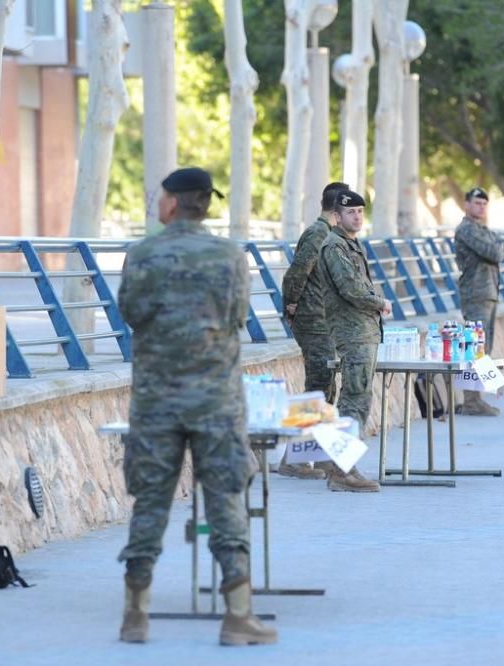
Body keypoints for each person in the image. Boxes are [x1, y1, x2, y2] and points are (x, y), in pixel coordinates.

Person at [116, 167, 276, 646]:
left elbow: (131, 314)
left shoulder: (142, 254)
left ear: (170, 204)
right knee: (227, 500)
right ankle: (238, 616)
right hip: (215, 401)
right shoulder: (230, 256)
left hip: (156, 400)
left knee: (151, 502)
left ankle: (135, 615)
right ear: (205, 205)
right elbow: (237, 317)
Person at [318, 189, 391, 492]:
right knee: (354, 400)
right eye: (351, 212)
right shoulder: (334, 246)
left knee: (358, 399)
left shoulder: (350, 244)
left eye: (361, 211)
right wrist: (379, 302)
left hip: (363, 330)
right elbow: (351, 288)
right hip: (352, 332)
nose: (357, 217)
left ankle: (340, 466)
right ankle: (342, 471)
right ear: (337, 215)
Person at [278, 181, 348, 480]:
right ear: (338, 210)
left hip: (324, 319)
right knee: (317, 387)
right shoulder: (319, 233)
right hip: (313, 319)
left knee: (326, 387)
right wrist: (291, 305)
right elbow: (297, 272)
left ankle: (316, 453)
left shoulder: (331, 234)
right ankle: (292, 457)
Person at [453, 187, 504, 416]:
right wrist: (501, 248)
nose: (480, 207)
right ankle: (470, 401)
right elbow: (497, 252)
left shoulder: (481, 229)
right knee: (474, 348)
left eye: (483, 204)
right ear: (466, 205)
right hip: (475, 294)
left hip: (488, 293)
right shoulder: (467, 230)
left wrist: (502, 248)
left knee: (483, 348)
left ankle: (475, 399)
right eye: (476, 203)